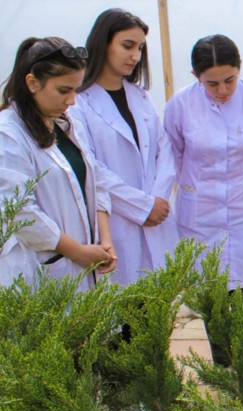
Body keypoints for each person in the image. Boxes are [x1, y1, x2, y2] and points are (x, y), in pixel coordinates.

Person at [164, 34, 243, 291]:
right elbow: (175, 154)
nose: (223, 90)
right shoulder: (180, 104)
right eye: (212, 84)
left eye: (230, 80)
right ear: (196, 76)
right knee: (209, 294)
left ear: (240, 67)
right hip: (200, 213)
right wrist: (198, 187)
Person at [71, 8, 178, 286]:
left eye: (140, 48)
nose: (136, 56)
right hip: (116, 223)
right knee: (124, 314)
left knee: (156, 311)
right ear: (103, 44)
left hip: (157, 218)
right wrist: (142, 206)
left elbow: (164, 150)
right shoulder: (79, 103)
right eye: (127, 46)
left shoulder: (140, 97)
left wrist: (158, 200)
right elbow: (91, 167)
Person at [0, 37, 116, 290]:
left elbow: (96, 181)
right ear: (32, 82)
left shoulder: (67, 123)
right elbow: (19, 211)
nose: (72, 100)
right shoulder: (7, 133)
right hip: (43, 267)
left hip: (86, 259)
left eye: (75, 90)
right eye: (64, 90)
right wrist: (76, 251)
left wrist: (104, 240)